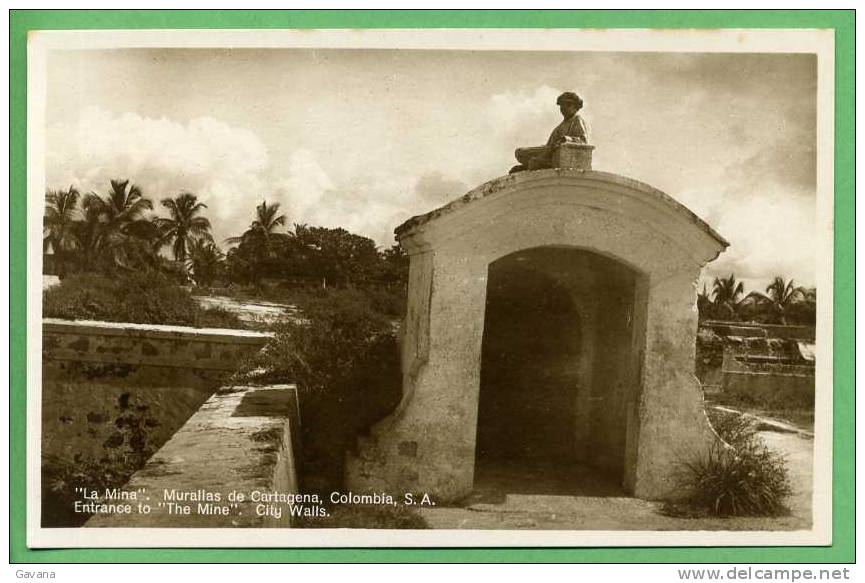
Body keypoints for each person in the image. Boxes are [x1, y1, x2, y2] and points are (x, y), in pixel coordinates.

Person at [509, 91, 590, 174]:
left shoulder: (577, 120)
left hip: (562, 153)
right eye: (562, 105)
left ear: (576, 107)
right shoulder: (560, 126)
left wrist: (566, 139)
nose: (564, 108)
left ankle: (541, 163)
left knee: (529, 156)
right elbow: (548, 146)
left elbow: (584, 141)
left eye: (568, 105)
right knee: (520, 153)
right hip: (551, 151)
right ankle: (539, 163)